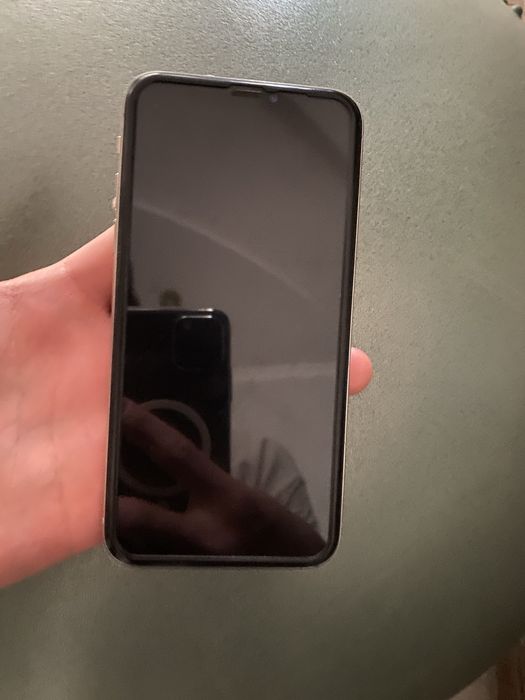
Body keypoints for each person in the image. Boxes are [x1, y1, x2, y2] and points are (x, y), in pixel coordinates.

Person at [0, 227, 373, 588]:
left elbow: (304, 551)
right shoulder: (73, 422)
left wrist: (282, 540)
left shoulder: (261, 462)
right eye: (146, 333)